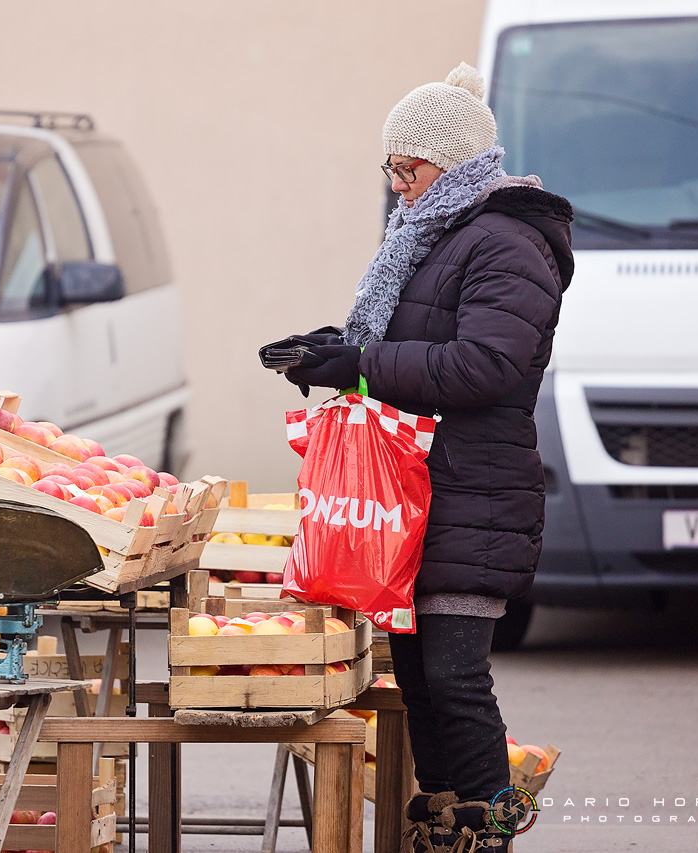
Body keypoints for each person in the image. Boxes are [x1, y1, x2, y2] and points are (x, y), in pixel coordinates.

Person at [277, 63, 573, 852]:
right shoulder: (429, 235)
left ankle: (491, 831)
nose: (398, 186)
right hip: (416, 494)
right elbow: (409, 346)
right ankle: (443, 826)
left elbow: (485, 365)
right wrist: (331, 353)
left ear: (456, 161)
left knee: (454, 678)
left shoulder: (507, 242)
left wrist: (362, 363)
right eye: (392, 169)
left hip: (474, 493)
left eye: (408, 168)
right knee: (418, 682)